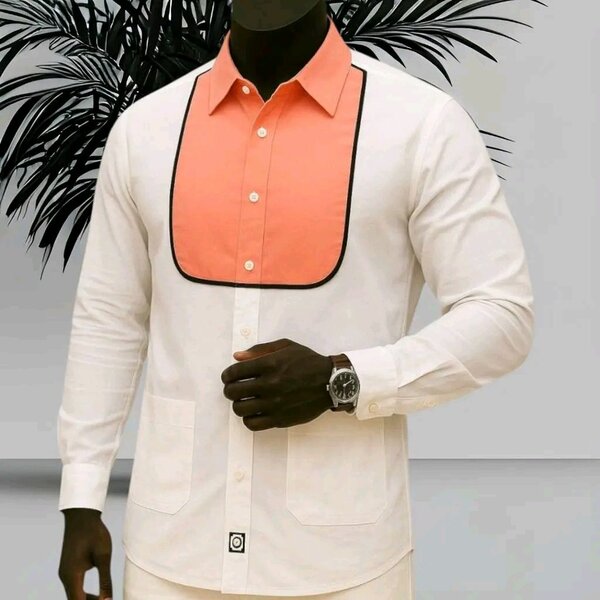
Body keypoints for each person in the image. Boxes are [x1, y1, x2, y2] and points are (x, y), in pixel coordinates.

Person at [57, 1, 535, 598]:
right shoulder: (146, 129)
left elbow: (501, 316)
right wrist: (82, 498)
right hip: (172, 551)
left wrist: (342, 379)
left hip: (343, 561)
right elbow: (109, 320)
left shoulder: (420, 126)